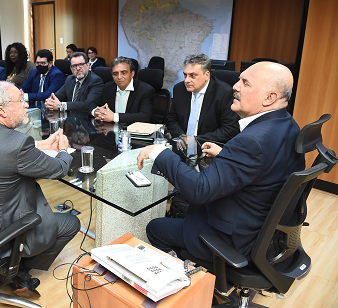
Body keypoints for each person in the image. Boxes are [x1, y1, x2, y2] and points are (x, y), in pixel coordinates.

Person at [137, 61, 305, 262]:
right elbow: (265, 162)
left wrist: (159, 152)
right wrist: (227, 153)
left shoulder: (251, 141)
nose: (235, 86)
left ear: (269, 98)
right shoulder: (287, 123)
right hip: (262, 229)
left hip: (234, 239)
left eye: (245, 83)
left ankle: (189, 283)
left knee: (155, 228)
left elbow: (199, 190)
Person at [0, 81, 80, 298]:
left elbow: (6, 148)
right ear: (1, 111)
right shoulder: (17, 144)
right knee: (71, 223)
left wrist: (43, 144)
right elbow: (59, 168)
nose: (26, 105)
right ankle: (14, 271)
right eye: (20, 101)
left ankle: (12, 266)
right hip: (4, 229)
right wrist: (63, 150)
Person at [166, 53, 240, 143]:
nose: (186, 80)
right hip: (181, 144)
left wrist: (195, 140)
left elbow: (229, 129)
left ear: (207, 75)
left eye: (192, 75)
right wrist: (182, 138)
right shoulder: (179, 89)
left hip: (208, 146)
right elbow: (172, 119)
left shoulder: (225, 93)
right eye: (185, 75)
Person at [89, 56, 154, 124]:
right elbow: (92, 103)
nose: (119, 77)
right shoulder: (107, 87)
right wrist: (95, 112)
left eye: (124, 73)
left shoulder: (145, 90)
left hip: (133, 132)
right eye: (115, 74)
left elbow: (145, 116)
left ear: (132, 74)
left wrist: (114, 117)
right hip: (110, 131)